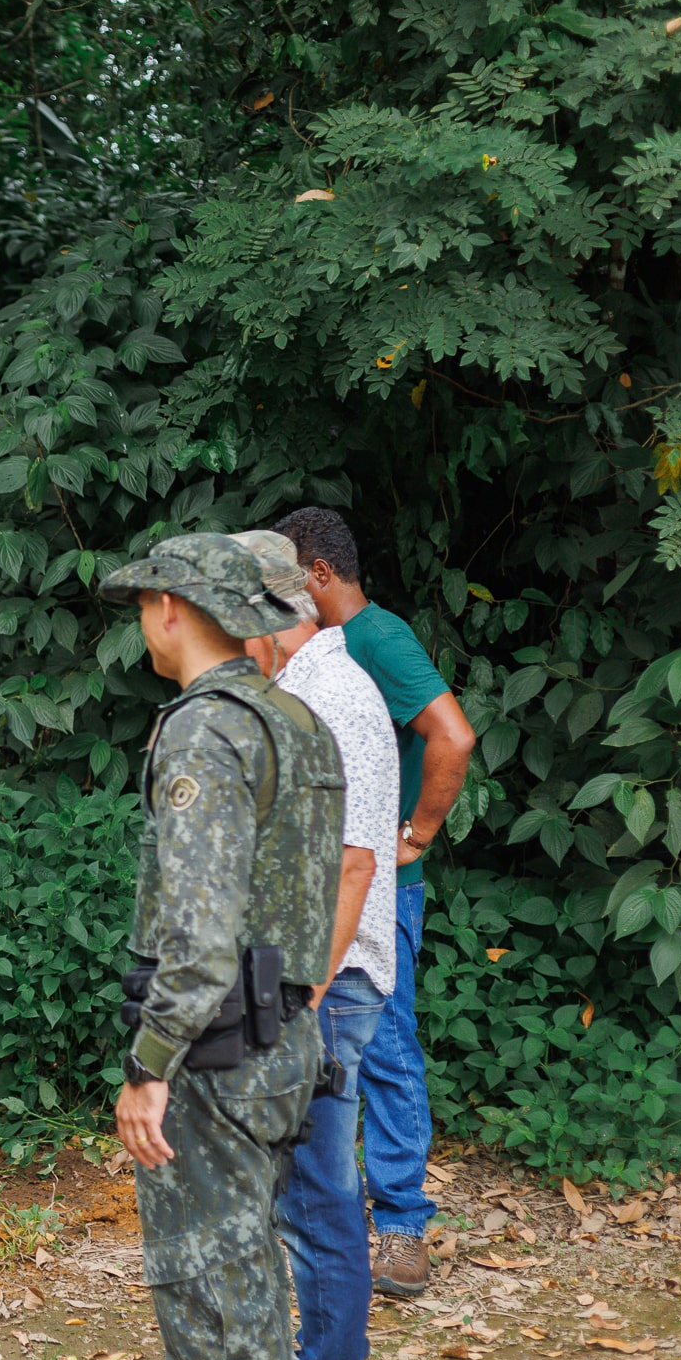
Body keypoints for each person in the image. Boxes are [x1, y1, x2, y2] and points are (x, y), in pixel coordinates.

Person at [97, 534, 345, 1360]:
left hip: (215, 1054)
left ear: (170, 608)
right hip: (287, 1041)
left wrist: (149, 1067)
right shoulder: (298, 719)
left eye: (143, 606)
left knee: (208, 1292)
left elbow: (200, 937)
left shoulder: (205, 729)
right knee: (248, 1272)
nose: (143, 622)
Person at [270, 506, 477, 1296]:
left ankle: (400, 1228)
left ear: (319, 575)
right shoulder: (318, 650)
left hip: (374, 884)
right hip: (330, 878)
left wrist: (415, 836)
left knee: (381, 1044)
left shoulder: (373, 639)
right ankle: (336, 1226)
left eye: (286, 580)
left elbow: (452, 734)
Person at [233, 530, 400, 1360]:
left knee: (315, 1196)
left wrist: (300, 992)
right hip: (321, 980)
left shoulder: (329, 693)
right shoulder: (310, 683)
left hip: (326, 988)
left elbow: (355, 863)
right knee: (306, 1191)